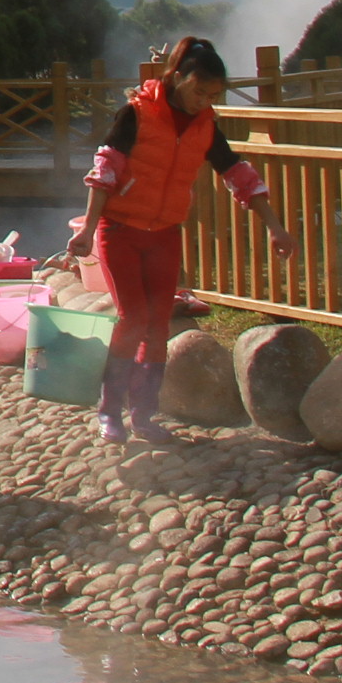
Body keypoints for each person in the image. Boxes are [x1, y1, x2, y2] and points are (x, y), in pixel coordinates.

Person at [66, 37, 295, 447]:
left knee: (157, 326)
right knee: (133, 318)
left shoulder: (206, 126)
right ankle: (109, 410)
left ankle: (144, 415)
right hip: (120, 230)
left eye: (212, 95)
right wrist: (87, 229)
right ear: (177, 78)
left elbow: (239, 176)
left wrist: (274, 225)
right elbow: (105, 172)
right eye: (198, 91)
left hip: (165, 234)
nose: (203, 101)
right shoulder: (136, 114)